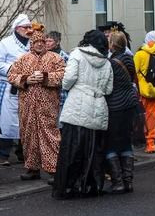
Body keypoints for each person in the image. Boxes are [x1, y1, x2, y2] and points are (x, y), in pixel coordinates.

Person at [52, 30, 113, 199]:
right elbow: (108, 89)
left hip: (77, 105)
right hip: (98, 106)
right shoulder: (106, 61)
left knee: (73, 148)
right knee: (93, 150)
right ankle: (90, 185)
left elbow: (68, 80)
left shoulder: (77, 54)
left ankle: (69, 186)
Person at [8, 24, 65, 184]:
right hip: (27, 106)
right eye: (36, 42)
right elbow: (11, 75)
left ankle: (54, 169)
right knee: (28, 136)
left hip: (48, 106)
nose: (39, 44)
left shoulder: (56, 59)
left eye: (42, 41)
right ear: (31, 44)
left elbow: (63, 76)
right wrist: (25, 80)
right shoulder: (23, 59)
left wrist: (46, 78)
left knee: (50, 136)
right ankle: (32, 169)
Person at [0, 13, 31, 166]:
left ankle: (24, 153)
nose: (28, 30)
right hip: (10, 88)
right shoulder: (5, 43)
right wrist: (15, 69)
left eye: (29, 27)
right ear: (17, 28)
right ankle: (4, 154)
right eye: (25, 27)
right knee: (7, 123)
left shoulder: (32, 44)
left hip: (28, 87)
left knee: (26, 121)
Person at [104, 31, 137, 194]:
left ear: (112, 44)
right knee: (126, 141)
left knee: (110, 143)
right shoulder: (129, 59)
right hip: (130, 103)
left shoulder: (111, 63)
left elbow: (107, 86)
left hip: (115, 105)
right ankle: (128, 181)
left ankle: (117, 181)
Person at [46, 31, 69, 127]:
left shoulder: (64, 57)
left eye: (50, 41)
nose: (47, 43)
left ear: (57, 42)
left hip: (60, 96)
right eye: (46, 41)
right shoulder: (44, 56)